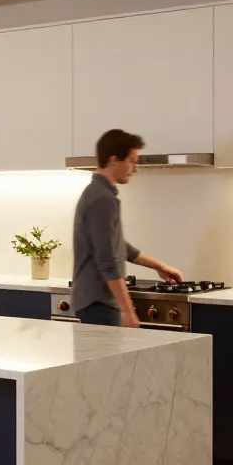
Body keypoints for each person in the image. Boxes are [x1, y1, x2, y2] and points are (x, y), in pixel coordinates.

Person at [71, 129, 183, 327]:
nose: (135, 168)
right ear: (114, 160)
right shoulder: (102, 199)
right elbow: (108, 260)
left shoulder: (99, 194)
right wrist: (128, 310)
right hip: (99, 302)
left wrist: (159, 266)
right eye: (132, 160)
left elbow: (118, 246)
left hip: (95, 301)